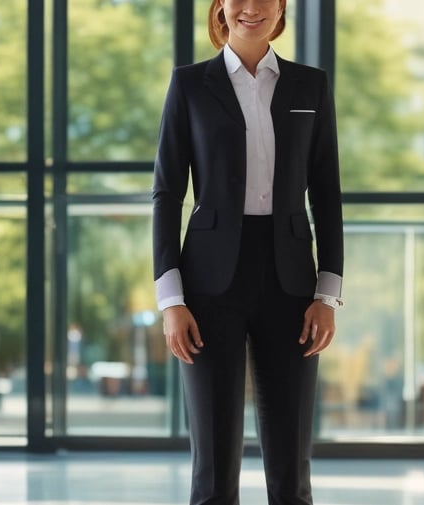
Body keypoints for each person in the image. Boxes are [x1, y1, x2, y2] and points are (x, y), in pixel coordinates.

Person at [152, 0, 343, 502]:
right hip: (208, 283)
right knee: (212, 469)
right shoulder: (191, 84)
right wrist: (171, 301)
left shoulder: (311, 85)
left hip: (293, 283)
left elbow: (326, 191)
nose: (251, 8)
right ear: (220, 7)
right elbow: (167, 192)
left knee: (290, 466)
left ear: (282, 8)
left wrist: (329, 293)